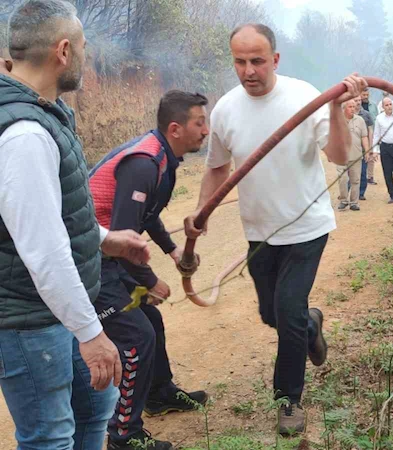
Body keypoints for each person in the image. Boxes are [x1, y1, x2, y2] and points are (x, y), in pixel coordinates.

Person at [183, 23, 366, 435]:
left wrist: (336, 108)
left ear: (275, 60)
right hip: (259, 232)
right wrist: (201, 212)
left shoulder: (305, 96)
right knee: (273, 314)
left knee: (286, 309)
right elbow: (217, 168)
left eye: (257, 61)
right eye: (240, 61)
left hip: (307, 227)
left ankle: (288, 402)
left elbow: (339, 154)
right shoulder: (226, 109)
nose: (249, 70)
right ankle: (312, 324)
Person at [0, 1, 150, 449]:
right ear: (64, 51)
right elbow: (42, 250)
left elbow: (52, 213)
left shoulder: (46, 112)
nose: (87, 57)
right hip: (30, 321)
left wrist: (107, 240)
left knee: (94, 410)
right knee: (50, 436)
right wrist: (91, 333)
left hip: (59, 306)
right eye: (84, 47)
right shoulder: (24, 134)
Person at [88, 90, 211, 449]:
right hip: (90, 260)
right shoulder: (144, 163)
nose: (206, 130)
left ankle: (158, 394)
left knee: (151, 323)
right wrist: (150, 281)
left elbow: (148, 214)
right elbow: (124, 241)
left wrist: (173, 251)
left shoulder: (162, 158)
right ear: (175, 128)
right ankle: (123, 434)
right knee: (136, 337)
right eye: (199, 123)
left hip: (109, 254)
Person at [336, 99, 368, 211]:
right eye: (350, 107)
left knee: (355, 180)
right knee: (343, 179)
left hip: (356, 155)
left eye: (354, 107)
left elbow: (364, 136)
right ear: (344, 108)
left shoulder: (360, 120)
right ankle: (344, 200)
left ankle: (354, 202)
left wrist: (367, 151)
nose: (353, 109)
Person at [360, 89, 379, 186]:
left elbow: (377, 119)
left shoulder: (373, 105)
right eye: (363, 94)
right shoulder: (356, 106)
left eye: (367, 94)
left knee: (371, 152)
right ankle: (360, 176)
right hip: (359, 133)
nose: (366, 96)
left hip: (371, 131)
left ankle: (370, 176)